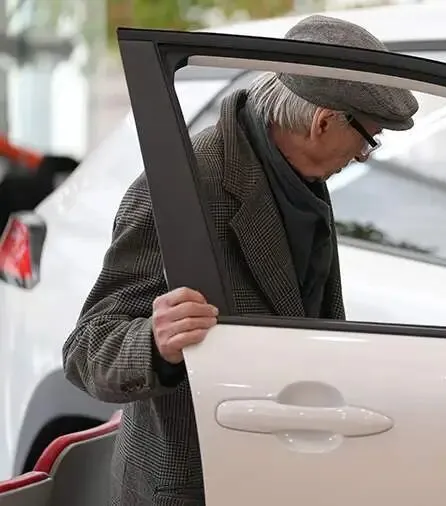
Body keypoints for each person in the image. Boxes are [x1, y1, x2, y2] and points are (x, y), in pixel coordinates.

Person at [62, 15, 418, 505]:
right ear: (323, 122)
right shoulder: (182, 187)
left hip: (280, 470)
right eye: (368, 139)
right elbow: (86, 350)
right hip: (197, 485)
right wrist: (154, 342)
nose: (363, 156)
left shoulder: (301, 177)